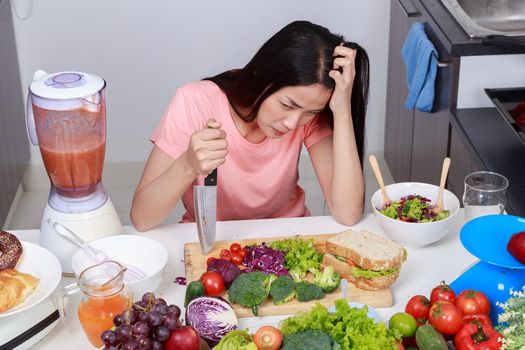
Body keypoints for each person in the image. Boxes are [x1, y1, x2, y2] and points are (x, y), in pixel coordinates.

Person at [131, 20, 370, 231]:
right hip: (212, 240)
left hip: (288, 234)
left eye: (311, 112)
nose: (292, 123)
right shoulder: (195, 101)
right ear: (262, 76)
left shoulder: (310, 110)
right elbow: (142, 218)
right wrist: (187, 164)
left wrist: (341, 109)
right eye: (287, 105)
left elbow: (348, 213)